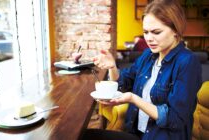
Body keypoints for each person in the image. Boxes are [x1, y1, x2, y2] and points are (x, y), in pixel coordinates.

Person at [82, 0, 202, 140]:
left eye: (156, 32)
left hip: (161, 137)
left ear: (175, 30)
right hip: (137, 133)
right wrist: (112, 67)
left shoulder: (187, 62)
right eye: (145, 32)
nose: (149, 39)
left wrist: (134, 99)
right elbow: (124, 81)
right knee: (82, 135)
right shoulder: (148, 56)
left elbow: (175, 119)